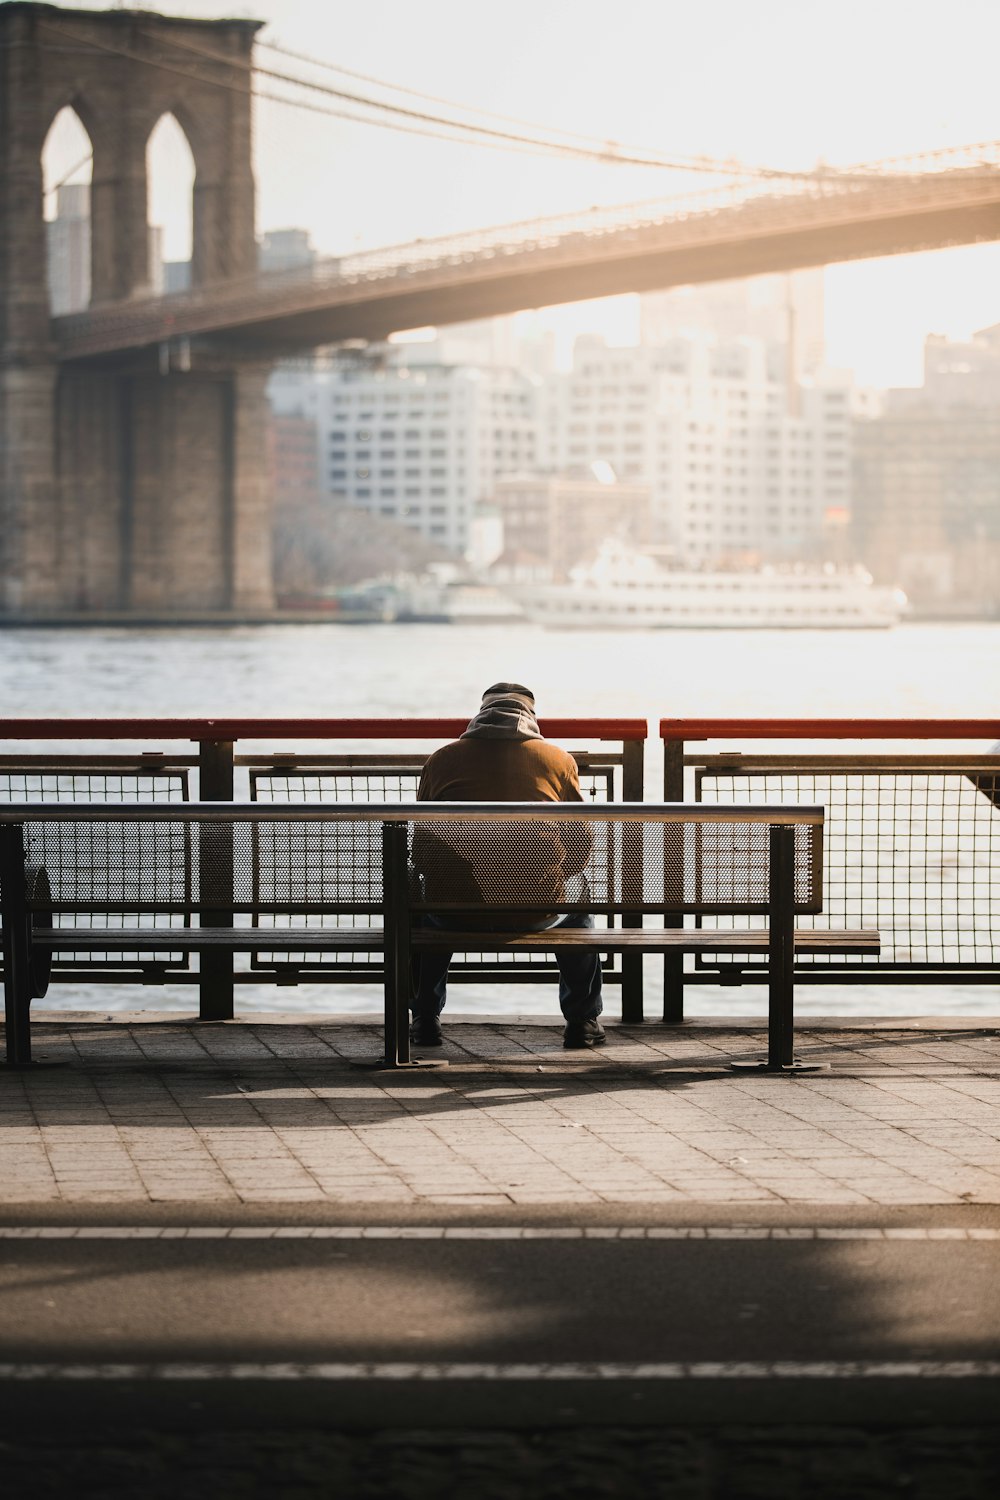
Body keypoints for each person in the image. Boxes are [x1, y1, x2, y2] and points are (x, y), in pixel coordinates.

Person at [410, 682, 605, 1050]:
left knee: (421, 902)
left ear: (479, 715)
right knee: (581, 897)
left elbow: (421, 849)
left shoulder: (441, 759)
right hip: (536, 910)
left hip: (455, 912)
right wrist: (551, 878)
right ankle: (582, 1020)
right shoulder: (558, 760)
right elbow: (581, 846)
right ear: (531, 716)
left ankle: (424, 1019)